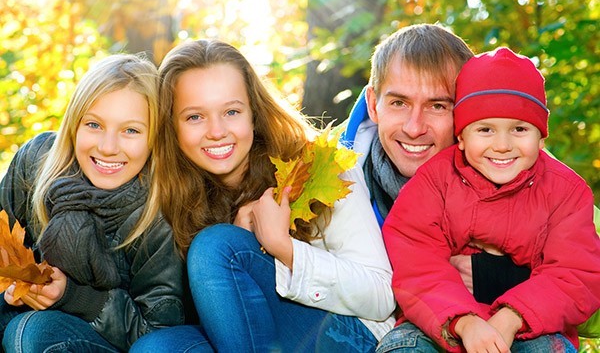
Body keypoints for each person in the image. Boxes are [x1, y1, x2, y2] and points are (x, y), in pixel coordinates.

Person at [130, 39, 396, 352]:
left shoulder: (315, 166)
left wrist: (282, 248)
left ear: (253, 114)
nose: (216, 131)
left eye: (231, 111)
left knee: (216, 247)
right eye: (195, 117)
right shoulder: (172, 192)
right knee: (156, 349)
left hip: (350, 337)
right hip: (256, 340)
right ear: (171, 126)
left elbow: (381, 297)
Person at [378, 47, 600, 352]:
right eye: (485, 130)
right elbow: (417, 262)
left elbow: (575, 274)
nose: (502, 145)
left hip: (531, 328)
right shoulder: (434, 182)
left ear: (541, 136)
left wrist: (512, 318)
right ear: (461, 136)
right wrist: (465, 322)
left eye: (520, 129)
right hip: (439, 326)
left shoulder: (565, 192)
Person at [0, 54, 185, 352]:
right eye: (94, 125)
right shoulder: (36, 163)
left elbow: (158, 334)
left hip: (97, 342)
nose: (108, 147)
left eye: (131, 130)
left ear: (155, 138)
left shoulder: (157, 215)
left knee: (31, 333)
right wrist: (15, 284)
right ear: (74, 124)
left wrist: (74, 297)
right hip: (11, 320)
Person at [340, 23, 531, 299]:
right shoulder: (326, 172)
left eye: (438, 106)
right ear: (373, 104)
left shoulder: (511, 161)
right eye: (399, 103)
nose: (414, 128)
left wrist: (502, 278)